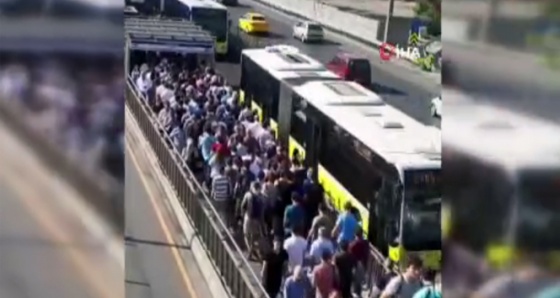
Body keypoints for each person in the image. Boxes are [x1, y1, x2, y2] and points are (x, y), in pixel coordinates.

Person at [241, 181, 264, 260]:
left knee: (246, 235)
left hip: (248, 218)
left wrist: (242, 215)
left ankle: (250, 251)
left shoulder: (248, 195)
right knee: (254, 237)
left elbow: (243, 206)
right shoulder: (261, 196)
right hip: (257, 220)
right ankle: (251, 250)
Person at [349, 227, 369, 297]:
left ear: (355, 234)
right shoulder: (366, 243)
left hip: (355, 265)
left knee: (355, 283)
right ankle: (359, 294)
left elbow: (350, 255)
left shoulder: (353, 245)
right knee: (359, 282)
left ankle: (356, 294)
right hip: (363, 264)